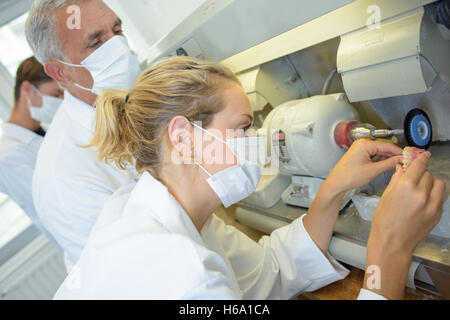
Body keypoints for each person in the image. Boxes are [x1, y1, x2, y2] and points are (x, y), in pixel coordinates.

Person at [54, 57, 446, 300]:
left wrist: (336, 186)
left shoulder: (167, 216)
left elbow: (270, 271)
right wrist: (390, 247)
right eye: (242, 128)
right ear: (182, 137)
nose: (254, 143)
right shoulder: (179, 274)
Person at [25, 0, 141, 267]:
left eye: (117, 31)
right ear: (60, 71)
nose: (119, 49)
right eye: (96, 43)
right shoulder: (64, 175)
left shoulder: (126, 104)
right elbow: (138, 270)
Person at [0, 56, 63, 248]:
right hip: (79, 238)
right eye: (55, 95)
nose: (62, 101)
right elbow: (54, 206)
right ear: (27, 90)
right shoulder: (8, 156)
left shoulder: (47, 127)